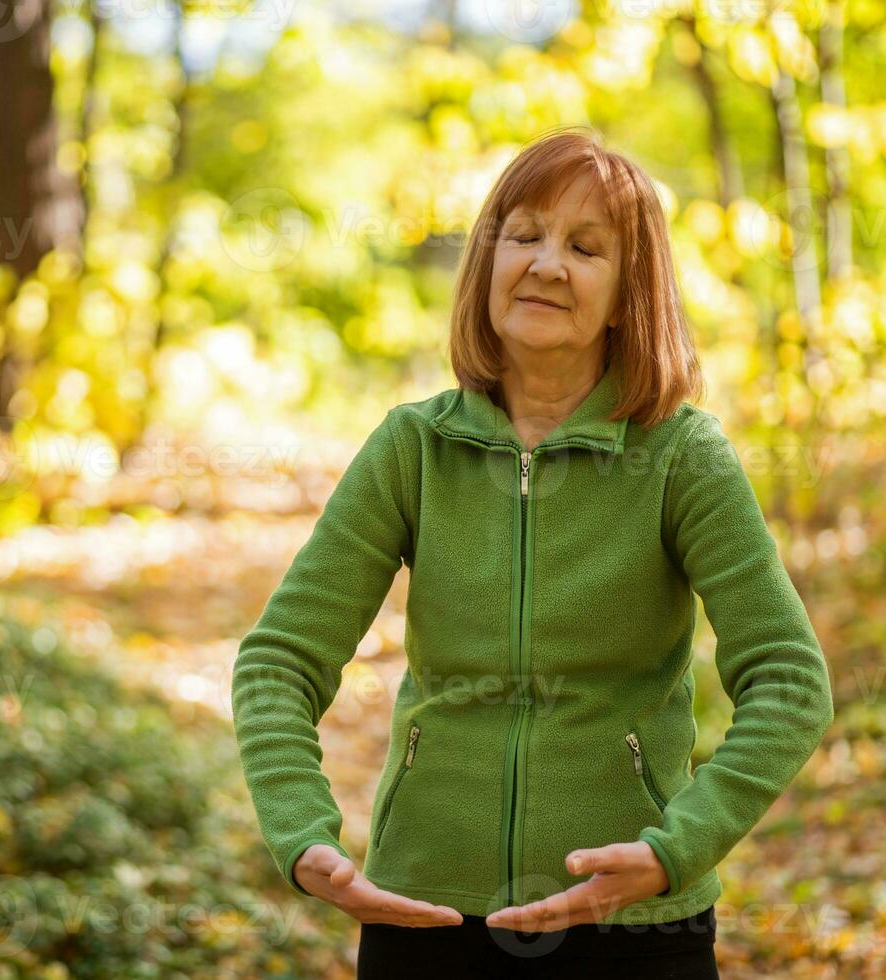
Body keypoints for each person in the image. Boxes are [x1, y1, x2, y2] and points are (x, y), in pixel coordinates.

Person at [230, 126, 835, 978]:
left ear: (629, 293)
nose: (547, 265)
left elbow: (790, 679)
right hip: (427, 916)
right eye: (524, 237)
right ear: (486, 266)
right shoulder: (413, 449)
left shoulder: (681, 456)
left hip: (632, 925)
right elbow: (278, 660)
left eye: (586, 249)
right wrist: (300, 833)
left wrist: (675, 850)